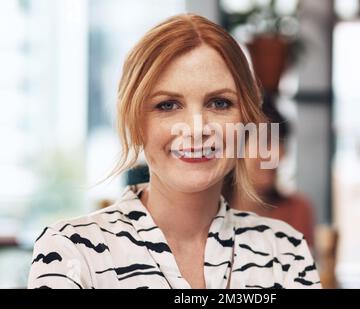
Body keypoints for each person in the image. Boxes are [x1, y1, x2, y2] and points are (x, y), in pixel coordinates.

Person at [28, 14, 321, 289]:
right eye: (167, 105)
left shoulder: (286, 252)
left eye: (219, 103)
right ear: (136, 123)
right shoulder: (71, 253)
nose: (196, 128)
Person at [224, 99, 316, 248]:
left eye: (281, 143)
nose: (279, 154)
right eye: (266, 142)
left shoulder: (297, 210)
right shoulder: (207, 217)